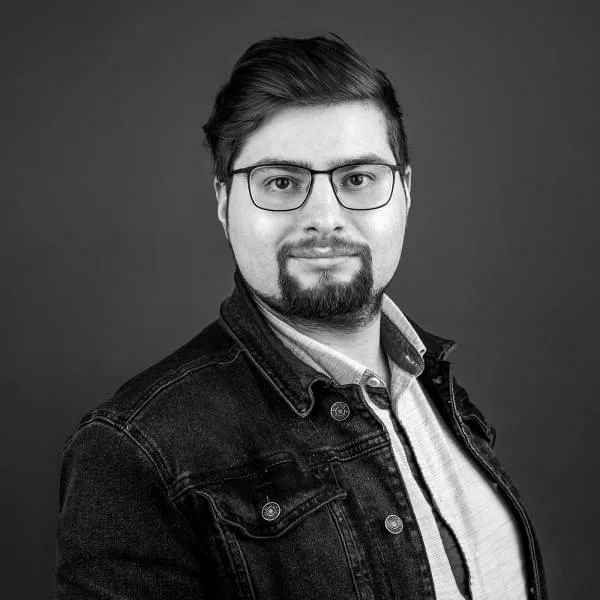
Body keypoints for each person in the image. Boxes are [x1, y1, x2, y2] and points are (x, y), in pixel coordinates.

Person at [55, 35, 547, 599]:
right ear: (224, 202)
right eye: (282, 183)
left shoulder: (431, 387)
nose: (325, 218)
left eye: (357, 179)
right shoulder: (136, 451)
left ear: (405, 191)